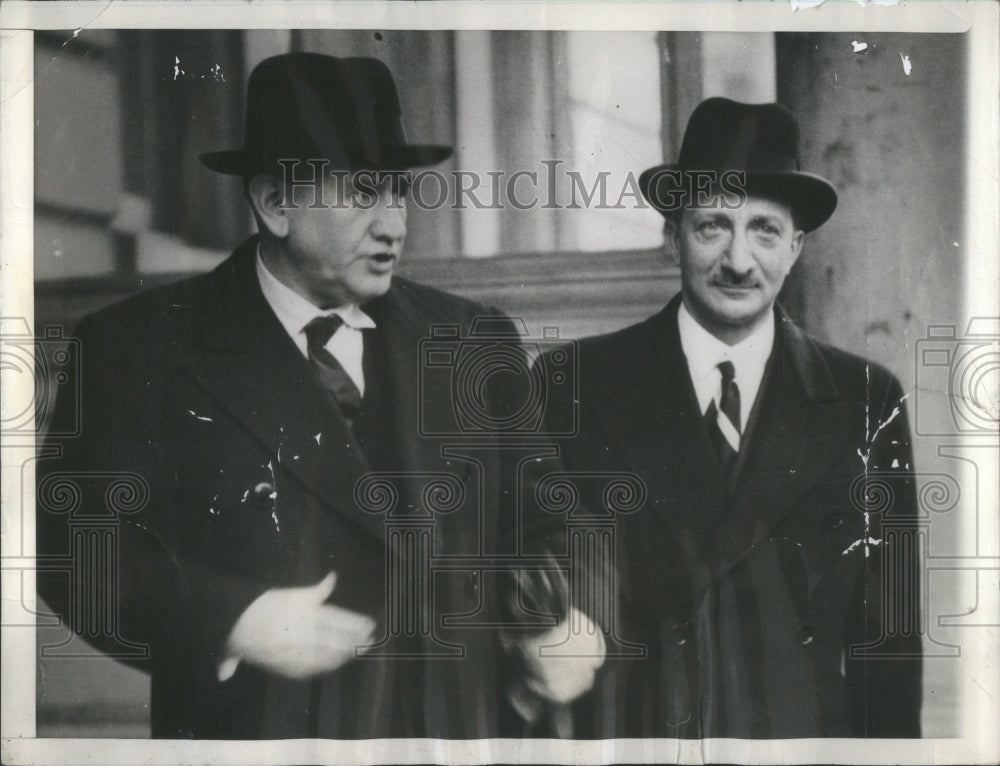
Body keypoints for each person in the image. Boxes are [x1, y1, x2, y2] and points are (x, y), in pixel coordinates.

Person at [36, 53, 604, 740]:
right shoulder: (137, 348)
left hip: (458, 735)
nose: (395, 224)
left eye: (399, 192)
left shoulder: (470, 338)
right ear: (276, 202)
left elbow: (553, 522)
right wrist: (233, 620)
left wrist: (569, 620)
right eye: (365, 193)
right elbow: (75, 548)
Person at [542, 97, 923, 738]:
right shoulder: (571, 385)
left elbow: (887, 650)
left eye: (765, 231)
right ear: (672, 236)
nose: (740, 261)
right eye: (713, 226)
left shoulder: (865, 401)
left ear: (796, 246)